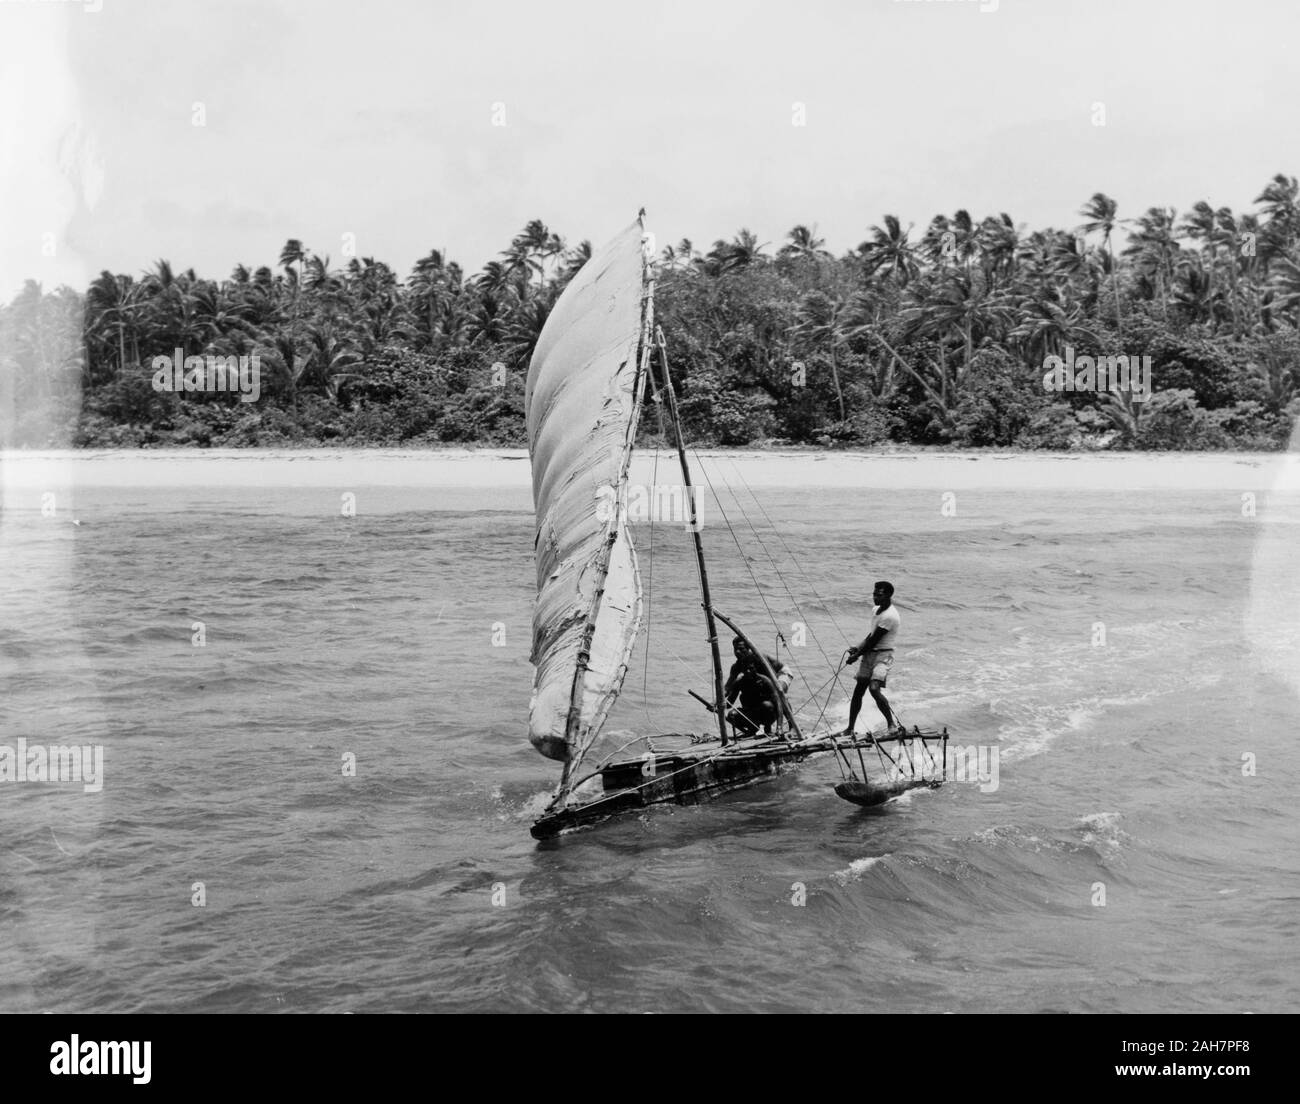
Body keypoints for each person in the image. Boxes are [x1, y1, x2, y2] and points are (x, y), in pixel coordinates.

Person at [842, 581, 903, 738]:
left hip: (883, 656)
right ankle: (850, 728)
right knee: (858, 691)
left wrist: (856, 656)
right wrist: (857, 647)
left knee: (874, 688)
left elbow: (875, 640)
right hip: (869, 654)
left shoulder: (890, 616)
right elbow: (871, 635)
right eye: (874, 594)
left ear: (888, 595)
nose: (875, 597)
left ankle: (891, 724)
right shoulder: (876, 610)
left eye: (879, 595)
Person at [724, 637, 793, 739]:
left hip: (779, 673)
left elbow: (773, 681)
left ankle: (792, 725)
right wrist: (717, 703)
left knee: (778, 692)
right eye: (735, 649)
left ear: (748, 649)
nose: (738, 652)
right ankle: (754, 728)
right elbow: (727, 688)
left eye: (741, 649)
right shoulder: (737, 666)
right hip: (757, 678)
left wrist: (779, 727)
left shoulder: (760, 659)